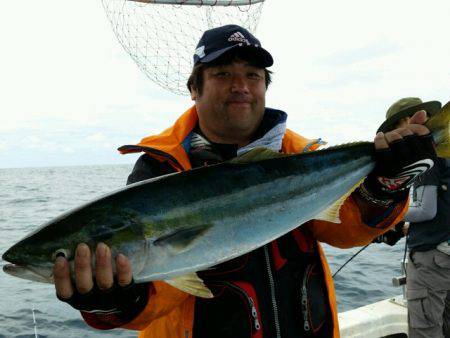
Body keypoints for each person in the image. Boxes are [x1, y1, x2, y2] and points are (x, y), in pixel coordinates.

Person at [53, 26, 436, 338]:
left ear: (265, 87)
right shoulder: (160, 170)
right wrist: (119, 299)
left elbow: (344, 231)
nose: (241, 85)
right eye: (222, 74)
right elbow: (158, 295)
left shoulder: (300, 155)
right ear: (194, 88)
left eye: (252, 75)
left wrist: (386, 185)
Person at [377, 97, 449, 338]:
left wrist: (391, 215)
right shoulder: (445, 153)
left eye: (392, 130)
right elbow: (439, 209)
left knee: (426, 330)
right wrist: (406, 226)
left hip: (432, 260)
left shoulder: (424, 157)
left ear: (407, 121)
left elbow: (426, 209)